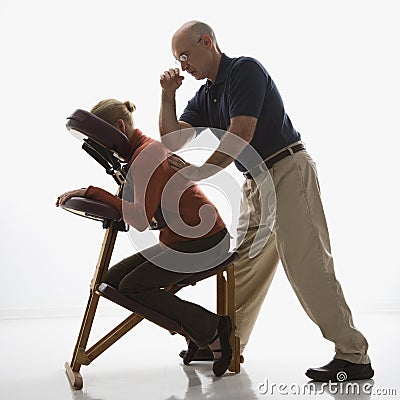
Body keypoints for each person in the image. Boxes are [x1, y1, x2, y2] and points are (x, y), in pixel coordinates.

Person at [158, 20, 374, 382]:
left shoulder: (245, 70)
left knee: (308, 267)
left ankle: (353, 356)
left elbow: (240, 134)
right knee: (238, 266)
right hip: (255, 182)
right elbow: (172, 141)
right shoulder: (206, 94)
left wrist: (198, 174)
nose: (182, 66)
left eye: (184, 56)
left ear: (206, 42)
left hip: (287, 170)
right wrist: (167, 94)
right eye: (177, 60)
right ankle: (225, 345)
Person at [56, 98, 234, 377]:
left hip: (206, 243)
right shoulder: (141, 154)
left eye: (101, 141)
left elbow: (138, 220)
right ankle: (199, 334)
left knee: (133, 287)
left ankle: (212, 329)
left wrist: (91, 191)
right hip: (182, 241)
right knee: (112, 281)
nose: (102, 149)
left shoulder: (147, 155)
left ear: (119, 127)